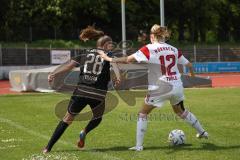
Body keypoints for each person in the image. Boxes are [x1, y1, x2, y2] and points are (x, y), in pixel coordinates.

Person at [98, 24, 208, 151]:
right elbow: (189, 64)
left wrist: (108, 58)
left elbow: (128, 59)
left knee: (142, 113)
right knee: (180, 111)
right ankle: (202, 132)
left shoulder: (149, 48)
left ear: (152, 36)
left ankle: (139, 146)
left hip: (160, 88)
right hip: (177, 85)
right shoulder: (173, 49)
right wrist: (192, 74)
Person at [43, 26, 120, 153]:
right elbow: (115, 65)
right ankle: (84, 131)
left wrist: (54, 73)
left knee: (67, 119)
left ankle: (47, 147)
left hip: (81, 91)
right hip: (98, 95)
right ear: (105, 44)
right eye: (110, 44)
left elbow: (69, 66)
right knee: (98, 117)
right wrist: (118, 77)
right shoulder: (109, 55)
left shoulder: (84, 53)